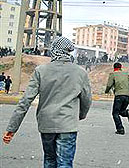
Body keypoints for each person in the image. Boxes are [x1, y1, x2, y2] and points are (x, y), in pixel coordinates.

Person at [2, 37, 92, 167]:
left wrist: (12, 128)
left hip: (46, 124)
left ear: (53, 50)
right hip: (68, 125)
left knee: (49, 160)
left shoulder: (41, 71)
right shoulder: (80, 72)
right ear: (68, 51)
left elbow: (25, 101)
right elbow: (87, 99)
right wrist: (80, 115)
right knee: (65, 163)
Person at [105, 62, 129, 135]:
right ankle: (127, 113)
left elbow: (109, 85)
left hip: (119, 96)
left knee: (115, 113)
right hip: (127, 96)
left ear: (114, 68)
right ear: (121, 67)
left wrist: (107, 91)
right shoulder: (126, 74)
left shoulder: (113, 74)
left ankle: (120, 129)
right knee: (121, 111)